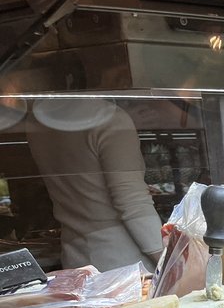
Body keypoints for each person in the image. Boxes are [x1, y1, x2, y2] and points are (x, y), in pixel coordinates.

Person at [26, 98, 163, 271]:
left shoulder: (37, 119)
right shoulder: (110, 118)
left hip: (75, 254)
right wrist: (168, 261)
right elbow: (131, 199)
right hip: (123, 259)